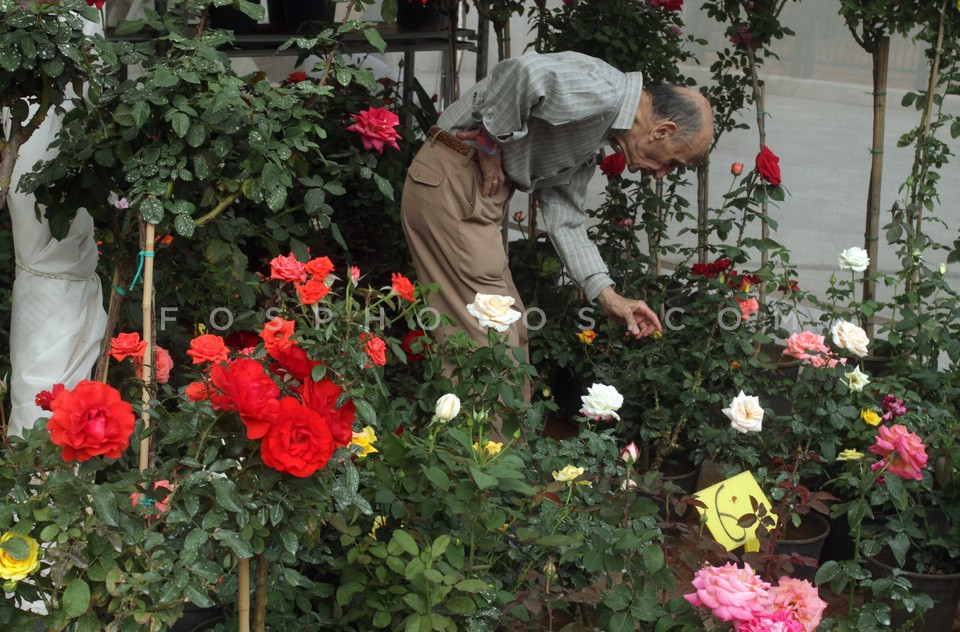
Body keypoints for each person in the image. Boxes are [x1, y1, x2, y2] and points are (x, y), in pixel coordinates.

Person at [400, 50, 713, 356]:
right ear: (662, 131)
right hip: (456, 180)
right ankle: (474, 411)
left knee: (508, 333)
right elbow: (525, 73)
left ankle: (482, 408)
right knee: (492, 343)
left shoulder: (599, 129)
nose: (661, 174)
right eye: (672, 163)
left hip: (464, 189)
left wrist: (609, 297)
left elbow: (566, 219)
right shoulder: (604, 92)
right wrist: (489, 144)